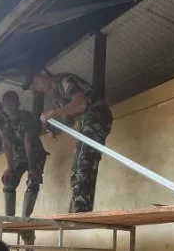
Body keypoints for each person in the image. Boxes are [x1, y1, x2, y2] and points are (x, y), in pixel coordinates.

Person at [30, 70, 113, 213]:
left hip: (96, 116)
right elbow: (69, 119)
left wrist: (54, 112)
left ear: (43, 74)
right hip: (87, 121)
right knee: (79, 165)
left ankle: (80, 210)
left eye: (35, 82)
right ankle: (79, 207)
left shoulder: (64, 80)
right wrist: (55, 126)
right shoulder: (57, 94)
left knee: (84, 161)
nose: (36, 87)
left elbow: (81, 104)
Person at [0, 90, 48, 218]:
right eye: (6, 104)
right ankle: (10, 219)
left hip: (35, 154)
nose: (9, 107)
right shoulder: (1, 119)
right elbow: (6, 144)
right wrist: (10, 166)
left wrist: (32, 167)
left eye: (11, 104)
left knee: (32, 182)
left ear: (18, 104)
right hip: (19, 155)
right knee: (9, 181)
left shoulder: (26, 117)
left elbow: (28, 142)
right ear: (3, 105)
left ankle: (25, 218)